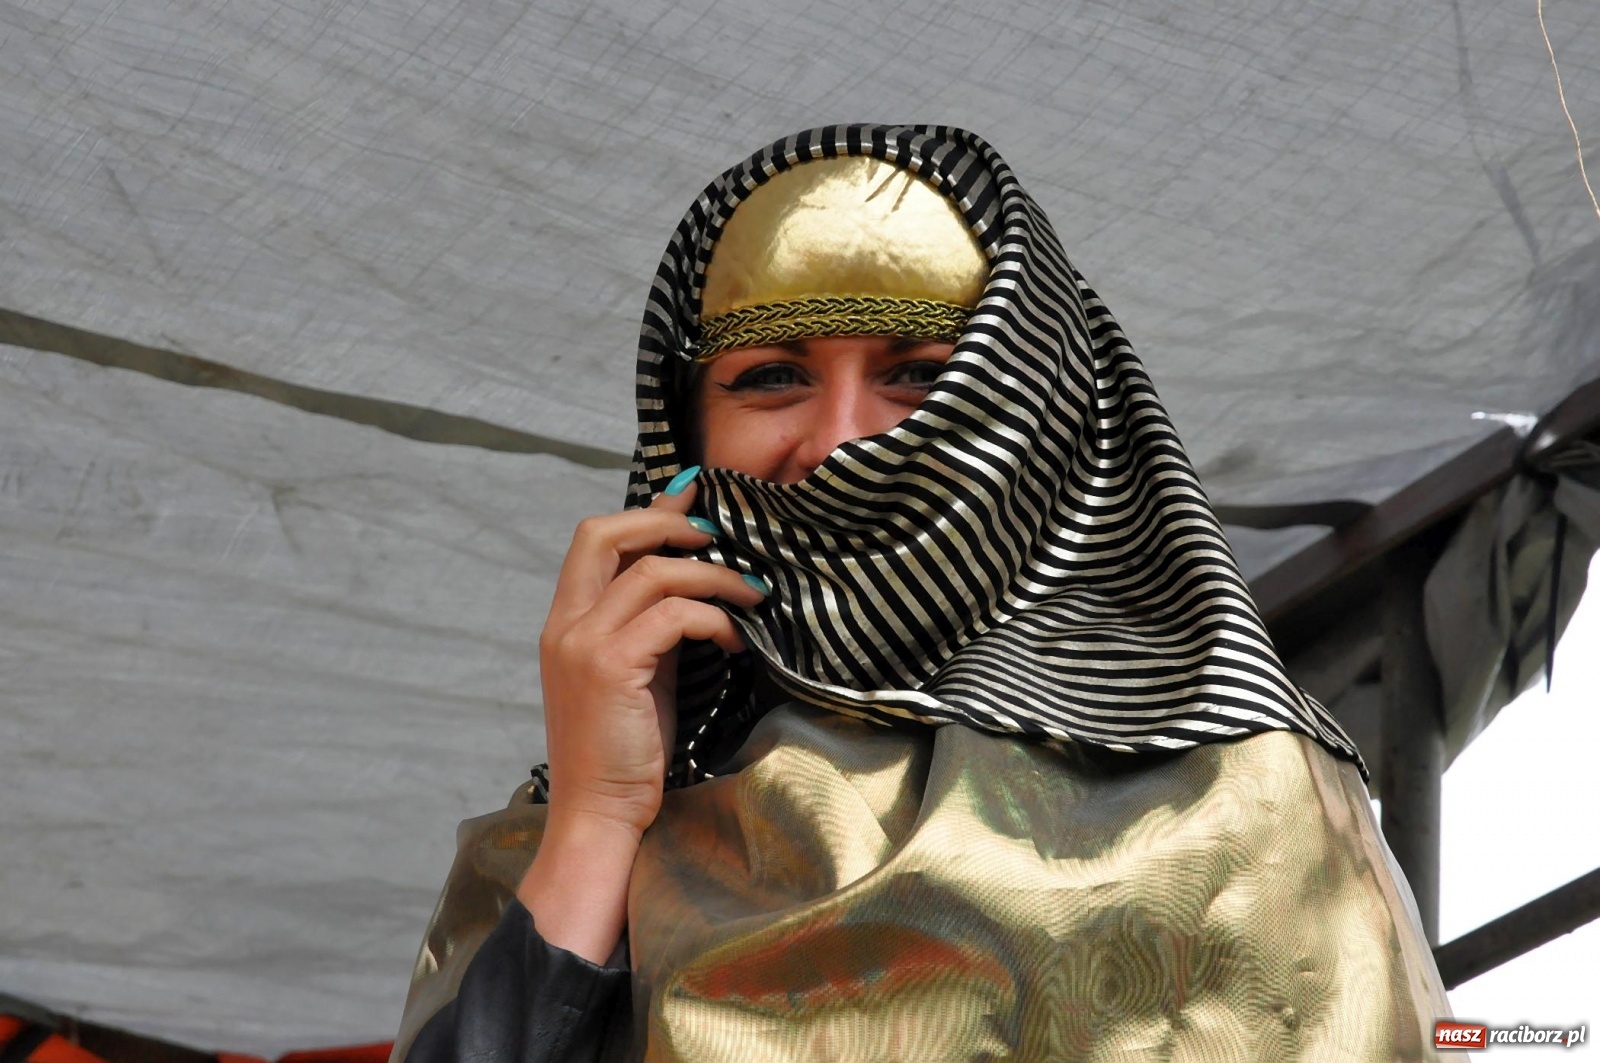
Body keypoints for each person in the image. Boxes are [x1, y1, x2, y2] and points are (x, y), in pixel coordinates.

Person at [393, 125, 1448, 1063]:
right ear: (684, 427)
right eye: (769, 376)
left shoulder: (1234, 781)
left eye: (920, 375)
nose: (842, 439)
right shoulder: (565, 833)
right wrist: (597, 821)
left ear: (1030, 414)